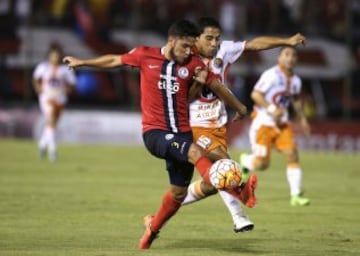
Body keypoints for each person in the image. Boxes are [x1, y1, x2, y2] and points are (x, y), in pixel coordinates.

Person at [63, 19, 251, 250]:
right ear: (171, 41)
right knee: (195, 152)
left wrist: (240, 107)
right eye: (184, 46)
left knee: (178, 193)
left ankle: (152, 229)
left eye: (191, 47)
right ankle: (235, 189)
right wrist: (82, 62)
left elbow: (217, 87)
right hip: (155, 133)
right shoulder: (145, 55)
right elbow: (114, 60)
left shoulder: (193, 64)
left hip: (181, 134)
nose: (188, 52)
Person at [181, 17, 307, 232]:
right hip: (192, 125)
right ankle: (239, 216)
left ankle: (165, 209)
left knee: (213, 183)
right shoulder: (185, 55)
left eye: (217, 39)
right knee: (225, 164)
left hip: (217, 125)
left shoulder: (224, 50)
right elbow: (183, 96)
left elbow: (254, 44)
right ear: (196, 39)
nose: (214, 43)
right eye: (208, 38)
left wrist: (286, 41)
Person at [240, 46, 311, 206]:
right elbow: (255, 94)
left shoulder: (296, 81)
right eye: (287, 54)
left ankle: (296, 195)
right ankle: (246, 162)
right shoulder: (271, 75)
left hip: (282, 124)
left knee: (292, 153)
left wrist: (303, 119)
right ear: (279, 58)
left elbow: (296, 100)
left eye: (293, 55)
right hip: (263, 124)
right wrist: (272, 109)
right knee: (262, 164)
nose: (290, 58)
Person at [33, 43, 76, 162]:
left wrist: (68, 91)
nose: (55, 58)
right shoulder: (43, 67)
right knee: (51, 119)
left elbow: (72, 83)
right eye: (53, 55)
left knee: (52, 125)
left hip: (60, 99)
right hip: (46, 98)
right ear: (49, 56)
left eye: (57, 56)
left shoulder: (65, 69)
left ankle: (42, 144)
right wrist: (38, 89)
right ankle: (52, 150)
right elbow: (36, 78)